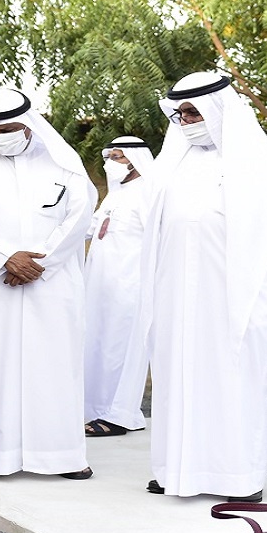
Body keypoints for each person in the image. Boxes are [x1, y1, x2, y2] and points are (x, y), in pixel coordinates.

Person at [131, 72, 267, 501]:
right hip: (175, 293)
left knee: (234, 373)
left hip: (236, 293)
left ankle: (238, 478)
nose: (187, 121)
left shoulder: (266, 159)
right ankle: (174, 469)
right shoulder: (172, 163)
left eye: (195, 112)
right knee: (177, 374)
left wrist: (259, 273)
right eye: (181, 113)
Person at [0, 88, 98, 481]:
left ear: (29, 124)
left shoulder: (62, 163)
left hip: (53, 281)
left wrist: (39, 262)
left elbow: (79, 215)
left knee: (55, 365)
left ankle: (61, 454)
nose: (0, 136)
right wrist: (5, 260)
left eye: (8, 128)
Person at [83, 135, 154, 437]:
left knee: (121, 349)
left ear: (136, 159)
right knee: (98, 345)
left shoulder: (148, 192)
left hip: (130, 286)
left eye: (119, 157)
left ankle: (117, 415)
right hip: (101, 285)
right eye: (110, 157)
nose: (112, 163)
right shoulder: (116, 194)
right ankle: (100, 410)